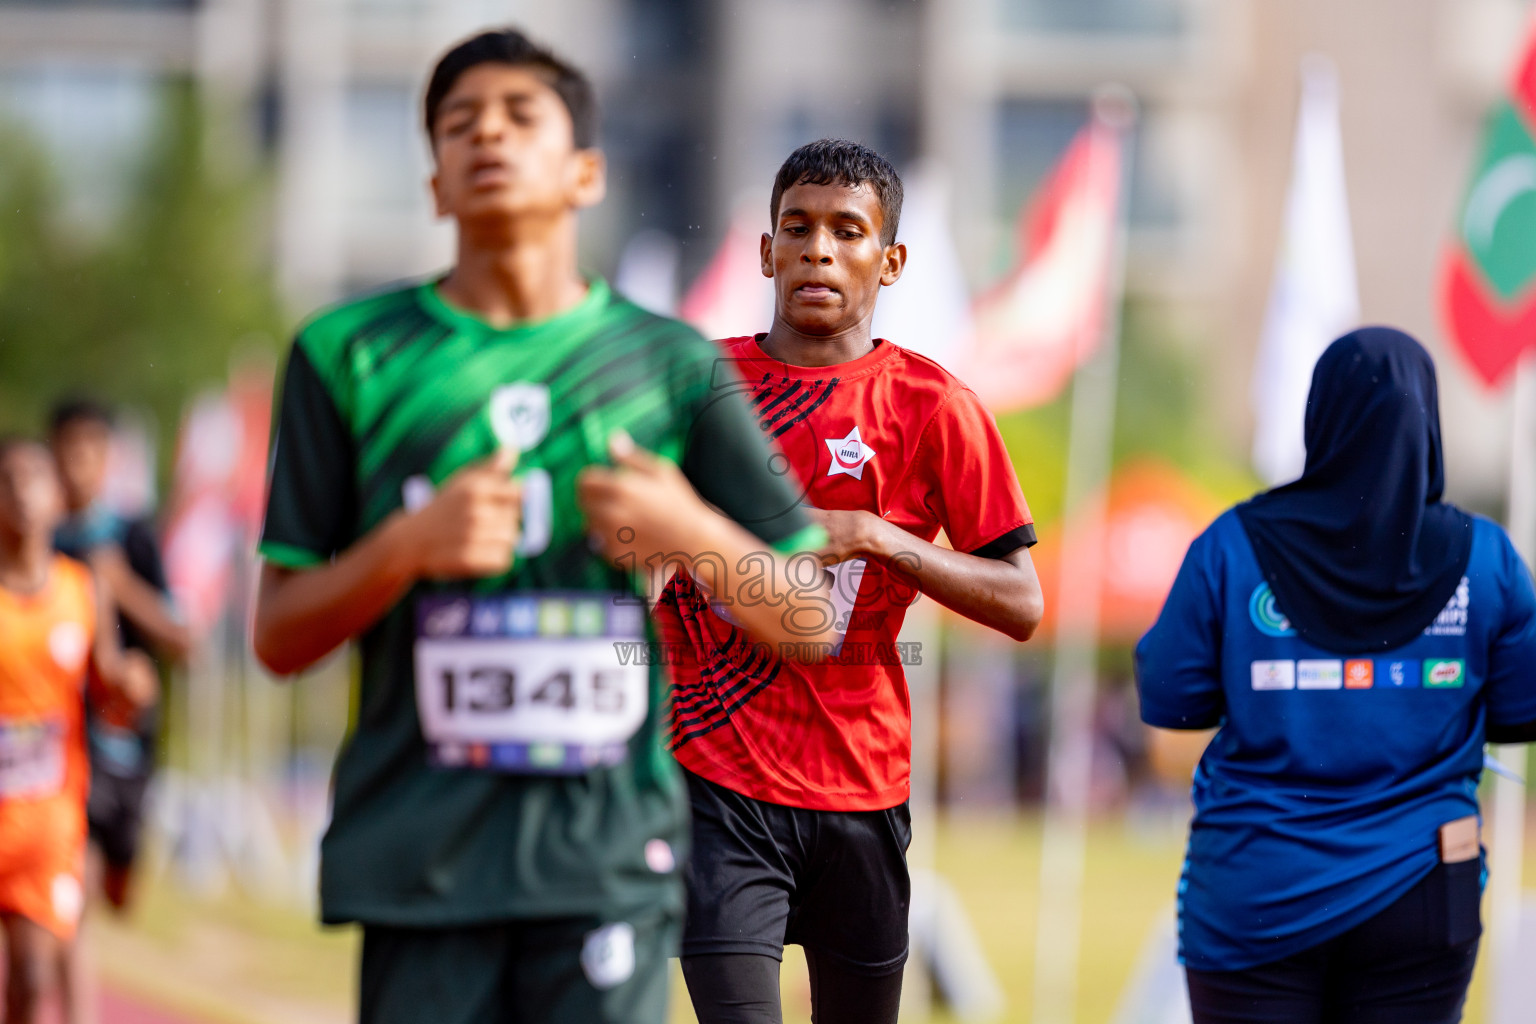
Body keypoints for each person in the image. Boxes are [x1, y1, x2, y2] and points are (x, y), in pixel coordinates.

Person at [251, 28, 835, 1024]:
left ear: (585, 171)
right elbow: (278, 634)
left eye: (520, 117)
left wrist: (685, 526)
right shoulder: (346, 355)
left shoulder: (669, 363)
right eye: (458, 124)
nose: (488, 137)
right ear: (435, 182)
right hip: (420, 866)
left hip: (605, 862)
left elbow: (815, 617)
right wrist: (406, 547)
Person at [655, 139, 1045, 1024]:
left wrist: (879, 538)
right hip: (715, 784)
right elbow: (621, 545)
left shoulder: (931, 405)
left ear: (890, 259)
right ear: (767, 252)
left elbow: (1023, 602)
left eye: (848, 230)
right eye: (797, 228)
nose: (818, 250)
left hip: (863, 791)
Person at [1135, 327, 1536, 1024]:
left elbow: (1171, 712)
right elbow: (1519, 710)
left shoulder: (1230, 547)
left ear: (1318, 417)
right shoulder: (1488, 559)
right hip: (1424, 889)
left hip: (1255, 893)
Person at [0, 438, 156, 1024]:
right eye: (8, 479)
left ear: (56, 498)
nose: (20, 491)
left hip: (46, 818)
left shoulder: (81, 590)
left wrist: (133, 687)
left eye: (34, 477)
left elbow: (112, 691)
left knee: (32, 977)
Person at [49, 398, 189, 914]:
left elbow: (181, 638)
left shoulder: (134, 537)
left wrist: (120, 585)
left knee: (118, 893)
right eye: (69, 447)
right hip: (63, 732)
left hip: (128, 733)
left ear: (109, 457)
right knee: (70, 890)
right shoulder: (40, 540)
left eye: (92, 447)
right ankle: (73, 989)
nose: (79, 460)